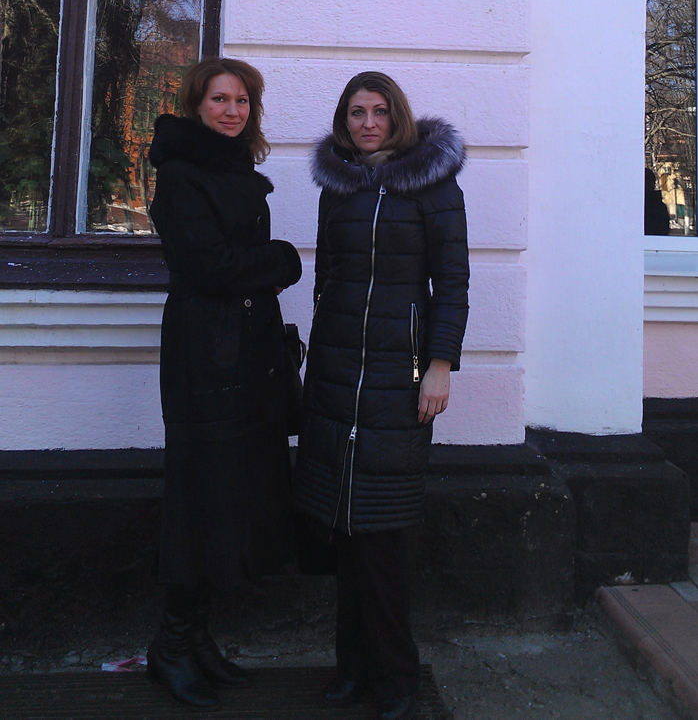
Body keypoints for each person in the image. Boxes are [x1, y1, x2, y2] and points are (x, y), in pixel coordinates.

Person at [294, 71, 469, 720]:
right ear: (344, 121)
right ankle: (352, 668)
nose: (367, 123)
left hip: (399, 379)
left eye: (378, 111)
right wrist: (317, 365)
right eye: (355, 112)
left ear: (398, 116)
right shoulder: (337, 187)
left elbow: (453, 281)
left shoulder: (433, 185)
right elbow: (328, 280)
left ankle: (397, 678)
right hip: (337, 376)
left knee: (383, 538)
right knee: (343, 529)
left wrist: (440, 364)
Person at [146, 56, 302, 709]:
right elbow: (209, 266)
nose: (232, 111)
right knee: (197, 499)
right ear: (196, 105)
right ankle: (170, 645)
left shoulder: (233, 170)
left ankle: (196, 638)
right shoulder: (181, 174)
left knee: (227, 498)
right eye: (219, 99)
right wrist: (282, 260)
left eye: (242, 101)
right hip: (205, 359)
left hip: (242, 356)